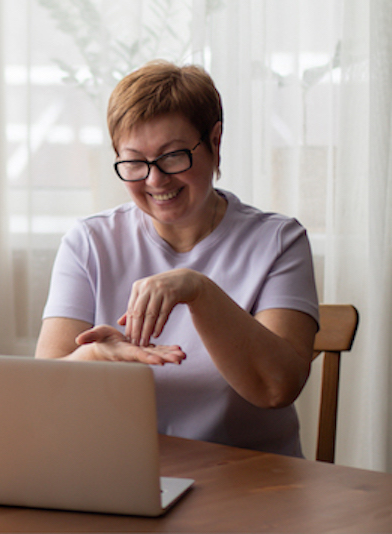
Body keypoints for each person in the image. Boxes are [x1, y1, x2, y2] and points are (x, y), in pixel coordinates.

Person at [35, 60, 319, 457]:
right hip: (123, 474)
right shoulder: (89, 241)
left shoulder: (278, 240)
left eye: (172, 156)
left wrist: (198, 290)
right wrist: (96, 355)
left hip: (251, 487)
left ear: (215, 142)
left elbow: (276, 388)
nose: (154, 179)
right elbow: (44, 391)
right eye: (134, 161)